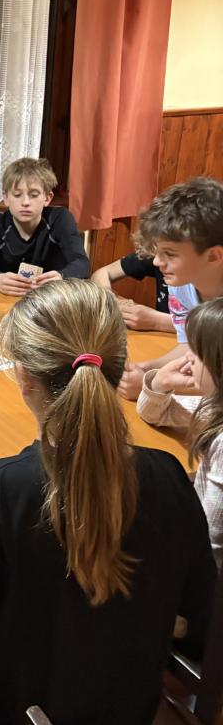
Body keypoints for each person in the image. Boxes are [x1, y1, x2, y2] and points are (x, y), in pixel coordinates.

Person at [0, 279, 215, 725]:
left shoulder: (5, 488)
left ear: (25, 380)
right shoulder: (167, 475)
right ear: (119, 365)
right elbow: (199, 602)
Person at [137, 298, 223, 570]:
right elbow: (155, 413)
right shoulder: (213, 405)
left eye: (197, 352)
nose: (187, 358)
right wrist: (160, 383)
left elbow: (212, 541)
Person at [119, 177, 223, 399]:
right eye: (157, 251)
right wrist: (147, 368)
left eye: (170, 254)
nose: (157, 262)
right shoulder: (182, 282)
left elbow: (216, 382)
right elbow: (191, 349)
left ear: (214, 256)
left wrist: (154, 384)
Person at [0, 157, 89, 296]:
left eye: (33, 195)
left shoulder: (59, 219)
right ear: (6, 198)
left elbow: (82, 263)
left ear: (47, 198)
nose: (25, 202)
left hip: (50, 299)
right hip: (5, 299)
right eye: (17, 195)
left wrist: (61, 276)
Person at [91, 251, 173, 333]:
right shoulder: (154, 255)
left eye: (170, 254)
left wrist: (156, 321)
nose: (156, 262)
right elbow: (102, 273)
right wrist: (110, 299)